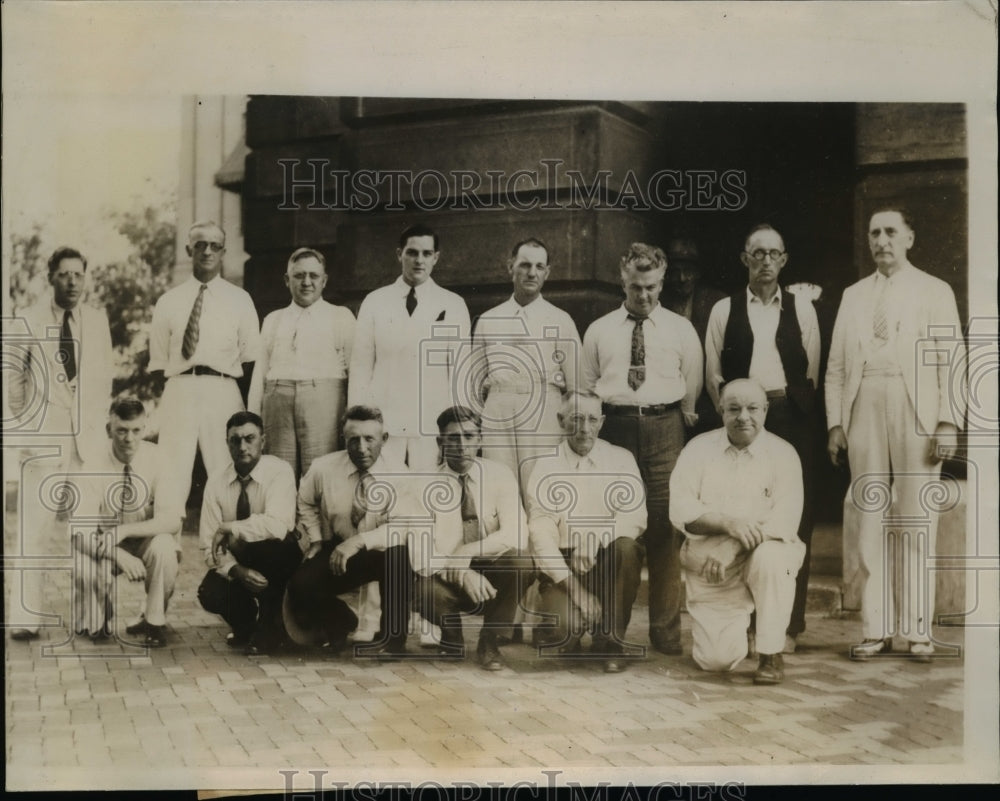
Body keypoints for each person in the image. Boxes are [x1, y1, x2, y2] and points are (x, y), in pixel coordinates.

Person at [826, 207, 965, 663]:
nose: (881, 240)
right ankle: (876, 628)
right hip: (865, 401)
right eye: (874, 233)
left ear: (909, 238)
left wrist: (947, 422)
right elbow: (836, 366)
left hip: (916, 407)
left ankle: (917, 630)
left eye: (890, 232)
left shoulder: (934, 290)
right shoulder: (853, 295)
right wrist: (836, 423)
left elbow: (954, 361)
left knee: (916, 515)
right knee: (870, 511)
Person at [335, 406, 530, 670]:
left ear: (480, 440)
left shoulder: (499, 475)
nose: (462, 446)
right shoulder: (423, 483)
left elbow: (516, 533)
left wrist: (468, 551)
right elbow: (419, 551)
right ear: (440, 443)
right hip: (446, 575)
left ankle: (490, 641)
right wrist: (462, 571)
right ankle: (451, 635)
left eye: (469, 436)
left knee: (522, 562)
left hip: (491, 571)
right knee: (423, 592)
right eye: (453, 438)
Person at [704, 224, 821, 653]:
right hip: (742, 418)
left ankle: (787, 627)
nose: (766, 261)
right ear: (745, 259)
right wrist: (736, 415)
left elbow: (811, 370)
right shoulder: (724, 309)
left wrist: (792, 405)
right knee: (743, 510)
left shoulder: (801, 308)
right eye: (758, 253)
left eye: (774, 253)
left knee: (792, 517)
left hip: (790, 414)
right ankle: (747, 625)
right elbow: (713, 374)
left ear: (784, 260)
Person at [581, 242, 703, 655]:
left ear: (661, 282)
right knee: (614, 526)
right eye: (636, 287)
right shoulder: (599, 330)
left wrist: (671, 418)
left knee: (666, 528)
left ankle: (665, 632)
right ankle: (610, 629)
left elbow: (692, 384)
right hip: (615, 428)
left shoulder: (681, 329)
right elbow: (587, 386)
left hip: (665, 426)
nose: (644, 295)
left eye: (651, 287)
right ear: (623, 281)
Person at [7, 246, 114, 641]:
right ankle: (25, 617)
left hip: (87, 443)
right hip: (43, 443)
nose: (72, 282)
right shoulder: (28, 319)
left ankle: (90, 618)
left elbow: (104, 379)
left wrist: (95, 425)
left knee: (85, 529)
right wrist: (31, 424)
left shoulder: (97, 321)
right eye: (64, 274)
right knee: (32, 530)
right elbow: (13, 381)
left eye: (78, 275)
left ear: (85, 278)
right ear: (50, 277)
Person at [670, 379, 806, 685]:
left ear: (766, 410)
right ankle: (739, 630)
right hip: (712, 566)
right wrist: (728, 524)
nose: (743, 416)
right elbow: (681, 512)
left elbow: (785, 520)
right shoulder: (698, 449)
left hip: (760, 553)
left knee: (772, 559)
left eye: (752, 408)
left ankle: (771, 652)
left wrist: (732, 545)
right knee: (716, 661)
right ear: (721, 410)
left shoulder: (784, 454)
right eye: (734, 409)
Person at [523, 391, 647, 673]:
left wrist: (595, 539)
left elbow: (636, 516)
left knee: (627, 548)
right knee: (564, 632)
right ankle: (563, 629)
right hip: (566, 568)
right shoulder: (546, 465)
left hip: (607, 561)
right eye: (576, 419)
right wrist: (577, 591)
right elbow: (541, 536)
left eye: (592, 419)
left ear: (601, 422)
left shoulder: (621, 459)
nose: (584, 428)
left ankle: (611, 642)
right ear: (561, 420)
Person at [149, 221, 261, 509]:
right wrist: (180, 387)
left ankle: (228, 537)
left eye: (214, 246)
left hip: (223, 389)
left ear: (223, 251)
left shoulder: (240, 299)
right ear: (189, 250)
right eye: (200, 245)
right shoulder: (168, 301)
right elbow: (159, 362)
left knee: (226, 468)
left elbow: (251, 359)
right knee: (171, 470)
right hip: (180, 388)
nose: (207, 252)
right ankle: (167, 534)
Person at [282, 405, 409, 655]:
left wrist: (360, 541)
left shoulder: (400, 474)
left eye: (369, 439)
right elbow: (304, 501)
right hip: (340, 548)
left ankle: (393, 640)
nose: (361, 448)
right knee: (301, 587)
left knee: (399, 559)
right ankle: (341, 620)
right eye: (353, 439)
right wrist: (316, 539)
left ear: (384, 439)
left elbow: (401, 526)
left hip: (382, 551)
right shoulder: (324, 467)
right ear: (343, 438)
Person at [348, 224, 471, 471]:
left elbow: (461, 371)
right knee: (380, 486)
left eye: (427, 253)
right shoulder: (375, 301)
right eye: (412, 253)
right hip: (383, 421)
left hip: (430, 422)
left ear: (436, 257)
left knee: (428, 487)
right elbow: (361, 366)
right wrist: (357, 421)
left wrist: (457, 426)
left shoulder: (453, 304)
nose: (419, 260)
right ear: (399, 254)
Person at [71, 398, 183, 647]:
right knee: (83, 565)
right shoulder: (94, 463)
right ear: (109, 429)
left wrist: (125, 530)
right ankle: (100, 615)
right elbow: (79, 533)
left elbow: (172, 520)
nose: (129, 439)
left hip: (144, 539)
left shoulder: (159, 458)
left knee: (165, 547)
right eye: (121, 430)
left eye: (136, 430)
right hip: (106, 543)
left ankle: (154, 621)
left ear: (144, 428)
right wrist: (117, 554)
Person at [471, 238, 580, 484]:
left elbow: (576, 385)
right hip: (499, 407)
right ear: (510, 267)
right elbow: (475, 381)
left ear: (547, 272)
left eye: (539, 267)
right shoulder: (488, 319)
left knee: (541, 483)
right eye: (525, 265)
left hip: (544, 408)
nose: (532, 273)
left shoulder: (560, 319)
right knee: (498, 481)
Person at [196, 412, 301, 655]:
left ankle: (270, 629)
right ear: (227, 443)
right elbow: (209, 544)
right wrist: (236, 570)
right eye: (235, 440)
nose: (242, 447)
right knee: (210, 592)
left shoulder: (279, 471)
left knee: (274, 547)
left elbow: (278, 525)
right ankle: (246, 626)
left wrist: (230, 527)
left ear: (262, 441)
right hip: (240, 559)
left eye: (249, 438)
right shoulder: (216, 482)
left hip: (278, 557)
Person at [248, 247, 355, 480]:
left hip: (324, 403)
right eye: (299, 276)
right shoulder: (273, 319)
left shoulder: (340, 316)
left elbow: (355, 372)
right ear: (287, 280)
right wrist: (252, 418)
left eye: (313, 276)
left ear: (324, 280)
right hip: (277, 402)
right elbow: (260, 372)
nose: (307, 282)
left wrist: (353, 419)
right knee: (278, 475)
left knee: (321, 475)